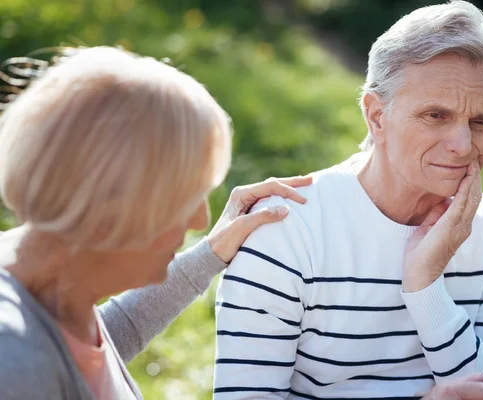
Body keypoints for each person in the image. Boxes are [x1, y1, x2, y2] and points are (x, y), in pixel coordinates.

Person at [213, 1, 483, 399]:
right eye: (436, 115)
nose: (463, 145)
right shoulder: (283, 228)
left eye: (480, 122)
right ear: (376, 116)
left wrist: (426, 289)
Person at [0, 46, 313, 399]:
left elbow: (98, 349)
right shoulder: (14, 364)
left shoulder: (54, 294)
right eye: (185, 200)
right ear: (113, 208)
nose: (200, 218)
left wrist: (209, 253)